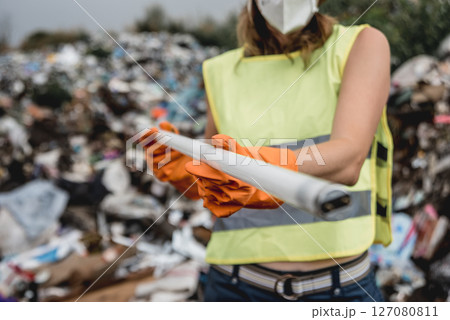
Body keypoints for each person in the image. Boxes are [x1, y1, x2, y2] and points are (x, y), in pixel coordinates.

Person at [145, 0, 393, 302]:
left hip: (338, 290)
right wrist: (186, 172)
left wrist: (261, 164)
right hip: (234, 286)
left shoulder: (359, 44)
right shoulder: (220, 71)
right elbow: (217, 181)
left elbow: (348, 159)